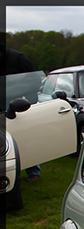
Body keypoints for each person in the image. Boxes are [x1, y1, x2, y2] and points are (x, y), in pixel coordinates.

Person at [0, 46, 41, 181]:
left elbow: (35, 80)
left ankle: (33, 170)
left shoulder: (18, 58)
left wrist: (29, 101)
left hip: (19, 105)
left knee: (26, 137)